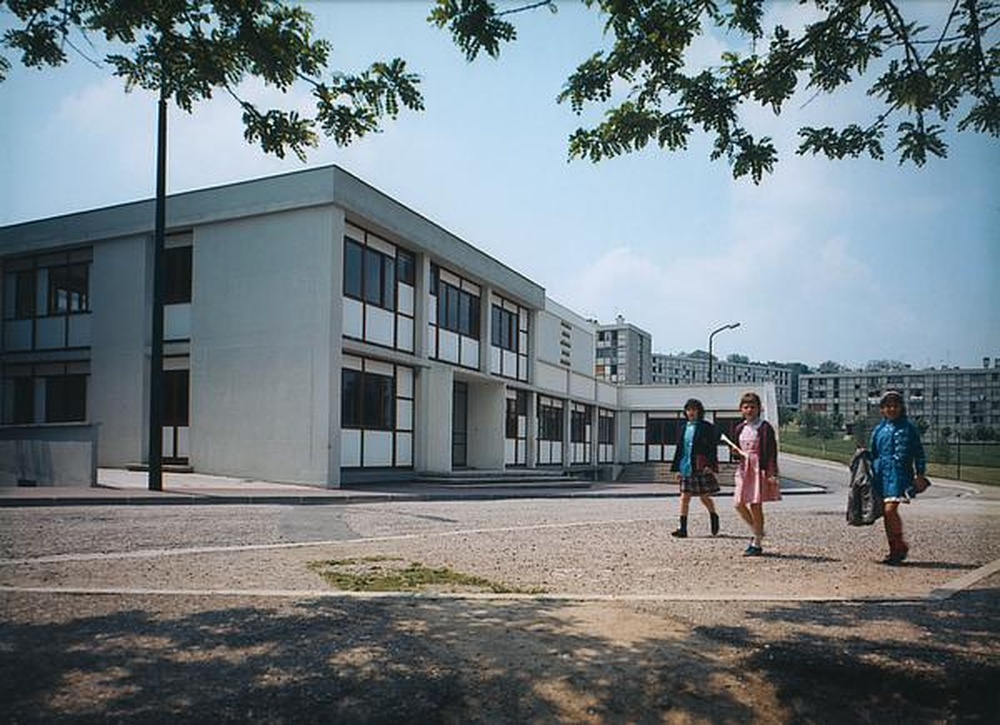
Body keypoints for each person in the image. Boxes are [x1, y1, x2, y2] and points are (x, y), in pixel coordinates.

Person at [867, 390, 927, 565]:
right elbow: (873, 453)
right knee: (886, 514)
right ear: (882, 409)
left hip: (900, 474)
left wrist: (920, 474)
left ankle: (900, 545)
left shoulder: (909, 429)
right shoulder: (879, 430)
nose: (892, 409)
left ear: (901, 407)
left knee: (890, 510)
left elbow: (919, 453)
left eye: (895, 405)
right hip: (881, 475)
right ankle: (894, 550)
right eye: (887, 406)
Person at [729, 391, 781, 556]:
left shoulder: (765, 427)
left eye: (753, 406)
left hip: (759, 468)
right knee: (738, 503)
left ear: (759, 408)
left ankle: (757, 542)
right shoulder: (739, 428)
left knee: (755, 505)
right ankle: (757, 530)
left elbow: (772, 452)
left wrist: (772, 472)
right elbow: (736, 451)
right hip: (744, 468)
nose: (749, 409)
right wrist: (735, 452)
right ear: (741, 409)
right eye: (746, 407)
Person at [669, 398, 721, 537]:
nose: (691, 412)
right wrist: (678, 469)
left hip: (700, 465)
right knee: (684, 497)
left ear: (699, 411)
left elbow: (712, 448)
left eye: (694, 409)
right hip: (686, 466)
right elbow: (680, 449)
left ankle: (714, 515)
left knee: (704, 497)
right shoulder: (683, 428)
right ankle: (683, 528)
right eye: (688, 409)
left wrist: (710, 465)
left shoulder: (707, 427)